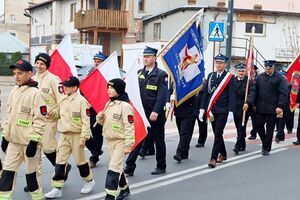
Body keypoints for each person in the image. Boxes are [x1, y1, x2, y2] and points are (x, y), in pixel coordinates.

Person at [0, 59, 46, 200]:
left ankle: (38, 197)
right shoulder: (14, 91)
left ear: (29, 74)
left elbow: (40, 120)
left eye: (20, 73)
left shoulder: (35, 94)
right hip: (13, 142)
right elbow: (10, 116)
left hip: (29, 144)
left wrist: (34, 142)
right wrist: (5, 136)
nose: (16, 76)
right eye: (14, 73)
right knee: (6, 176)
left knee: (31, 178)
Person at [45, 76, 95, 199]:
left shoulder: (82, 101)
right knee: (60, 162)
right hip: (64, 135)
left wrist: (84, 137)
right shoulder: (62, 99)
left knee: (80, 161)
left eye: (67, 86)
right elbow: (58, 116)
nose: (64, 88)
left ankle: (89, 181)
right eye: (64, 85)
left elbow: (86, 121)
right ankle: (57, 187)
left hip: (77, 135)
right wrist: (52, 114)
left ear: (75, 88)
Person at [124, 46, 168, 176]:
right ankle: (130, 166)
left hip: (154, 114)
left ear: (154, 58)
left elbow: (162, 95)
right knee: (138, 140)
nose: (145, 59)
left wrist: (156, 111)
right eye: (144, 56)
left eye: (148, 56)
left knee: (158, 140)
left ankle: (161, 166)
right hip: (141, 113)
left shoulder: (161, 75)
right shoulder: (138, 73)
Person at [96, 78, 135, 200]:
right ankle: (125, 190)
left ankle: (110, 196)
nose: (109, 90)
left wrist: (129, 144)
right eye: (108, 87)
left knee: (113, 169)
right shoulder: (109, 103)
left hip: (120, 141)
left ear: (119, 90)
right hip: (110, 141)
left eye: (112, 88)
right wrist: (100, 117)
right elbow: (102, 123)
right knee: (116, 167)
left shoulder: (125, 106)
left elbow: (129, 126)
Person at [199, 54, 235, 168]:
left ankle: (213, 158)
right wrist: (202, 109)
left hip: (223, 110)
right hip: (212, 110)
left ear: (225, 64)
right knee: (217, 133)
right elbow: (205, 93)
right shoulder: (211, 76)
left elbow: (232, 95)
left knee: (218, 133)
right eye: (216, 63)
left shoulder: (229, 77)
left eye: (220, 63)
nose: (218, 65)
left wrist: (231, 111)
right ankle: (223, 154)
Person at [255, 60, 288, 155]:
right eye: (266, 68)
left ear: (273, 67)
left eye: (269, 68)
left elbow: (283, 93)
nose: (268, 69)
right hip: (260, 106)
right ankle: (264, 141)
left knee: (270, 129)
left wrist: (280, 106)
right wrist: (253, 103)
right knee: (258, 125)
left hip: (273, 108)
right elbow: (255, 91)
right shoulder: (260, 77)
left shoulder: (279, 78)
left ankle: (266, 148)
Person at [85, 51, 107, 168]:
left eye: (99, 61)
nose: (96, 63)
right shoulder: (90, 72)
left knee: (97, 132)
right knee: (83, 132)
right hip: (89, 107)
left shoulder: (107, 74)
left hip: (101, 108)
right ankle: (96, 149)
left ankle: (94, 158)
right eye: (95, 61)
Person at [232, 63, 255, 154]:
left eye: (242, 71)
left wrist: (248, 102)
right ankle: (242, 144)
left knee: (242, 126)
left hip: (244, 108)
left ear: (245, 71)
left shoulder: (249, 81)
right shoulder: (232, 81)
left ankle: (237, 146)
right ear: (236, 71)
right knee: (238, 127)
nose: (241, 72)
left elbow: (252, 93)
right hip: (235, 107)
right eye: (239, 71)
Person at [173, 94, 197, 163]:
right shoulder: (175, 82)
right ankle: (185, 152)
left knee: (184, 132)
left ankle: (179, 153)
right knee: (181, 133)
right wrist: (168, 101)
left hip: (189, 109)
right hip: (178, 109)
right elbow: (171, 90)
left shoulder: (192, 82)